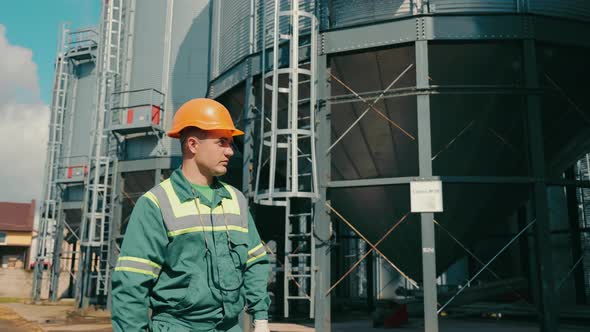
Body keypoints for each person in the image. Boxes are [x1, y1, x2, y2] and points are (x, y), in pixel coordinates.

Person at [111, 98, 271, 332]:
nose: (230, 151)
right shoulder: (157, 203)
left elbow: (255, 261)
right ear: (193, 145)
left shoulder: (235, 200)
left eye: (230, 143)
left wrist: (261, 319)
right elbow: (131, 285)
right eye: (222, 142)